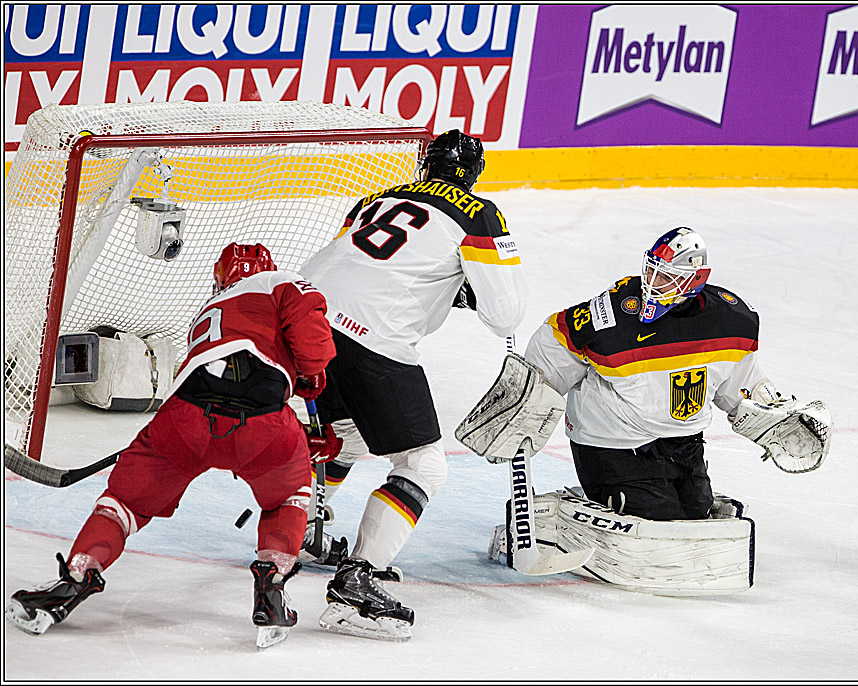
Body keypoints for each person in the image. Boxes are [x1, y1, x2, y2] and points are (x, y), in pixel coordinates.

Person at [4, 243, 335, 649]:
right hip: (263, 425)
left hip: (183, 420)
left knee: (124, 502)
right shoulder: (279, 282)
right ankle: (271, 588)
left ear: (220, 277)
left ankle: (74, 578)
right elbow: (312, 340)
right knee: (289, 496)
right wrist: (310, 377)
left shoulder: (211, 309)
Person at [298, 129, 528, 641]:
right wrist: (468, 285)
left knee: (345, 433)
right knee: (424, 464)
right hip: (369, 334)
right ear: (472, 174)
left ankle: (302, 531)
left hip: (300, 321)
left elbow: (368, 263)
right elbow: (506, 314)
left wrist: (448, 284)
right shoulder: (477, 212)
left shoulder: (374, 199)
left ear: (426, 165)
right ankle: (355, 584)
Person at [522, 226, 831, 522]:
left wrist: (768, 408)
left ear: (696, 280)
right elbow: (555, 343)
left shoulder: (728, 320)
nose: (652, 283)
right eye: (652, 270)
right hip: (611, 444)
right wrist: (526, 396)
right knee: (660, 519)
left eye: (666, 277)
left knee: (695, 511)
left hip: (683, 443)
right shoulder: (613, 315)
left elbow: (738, 380)